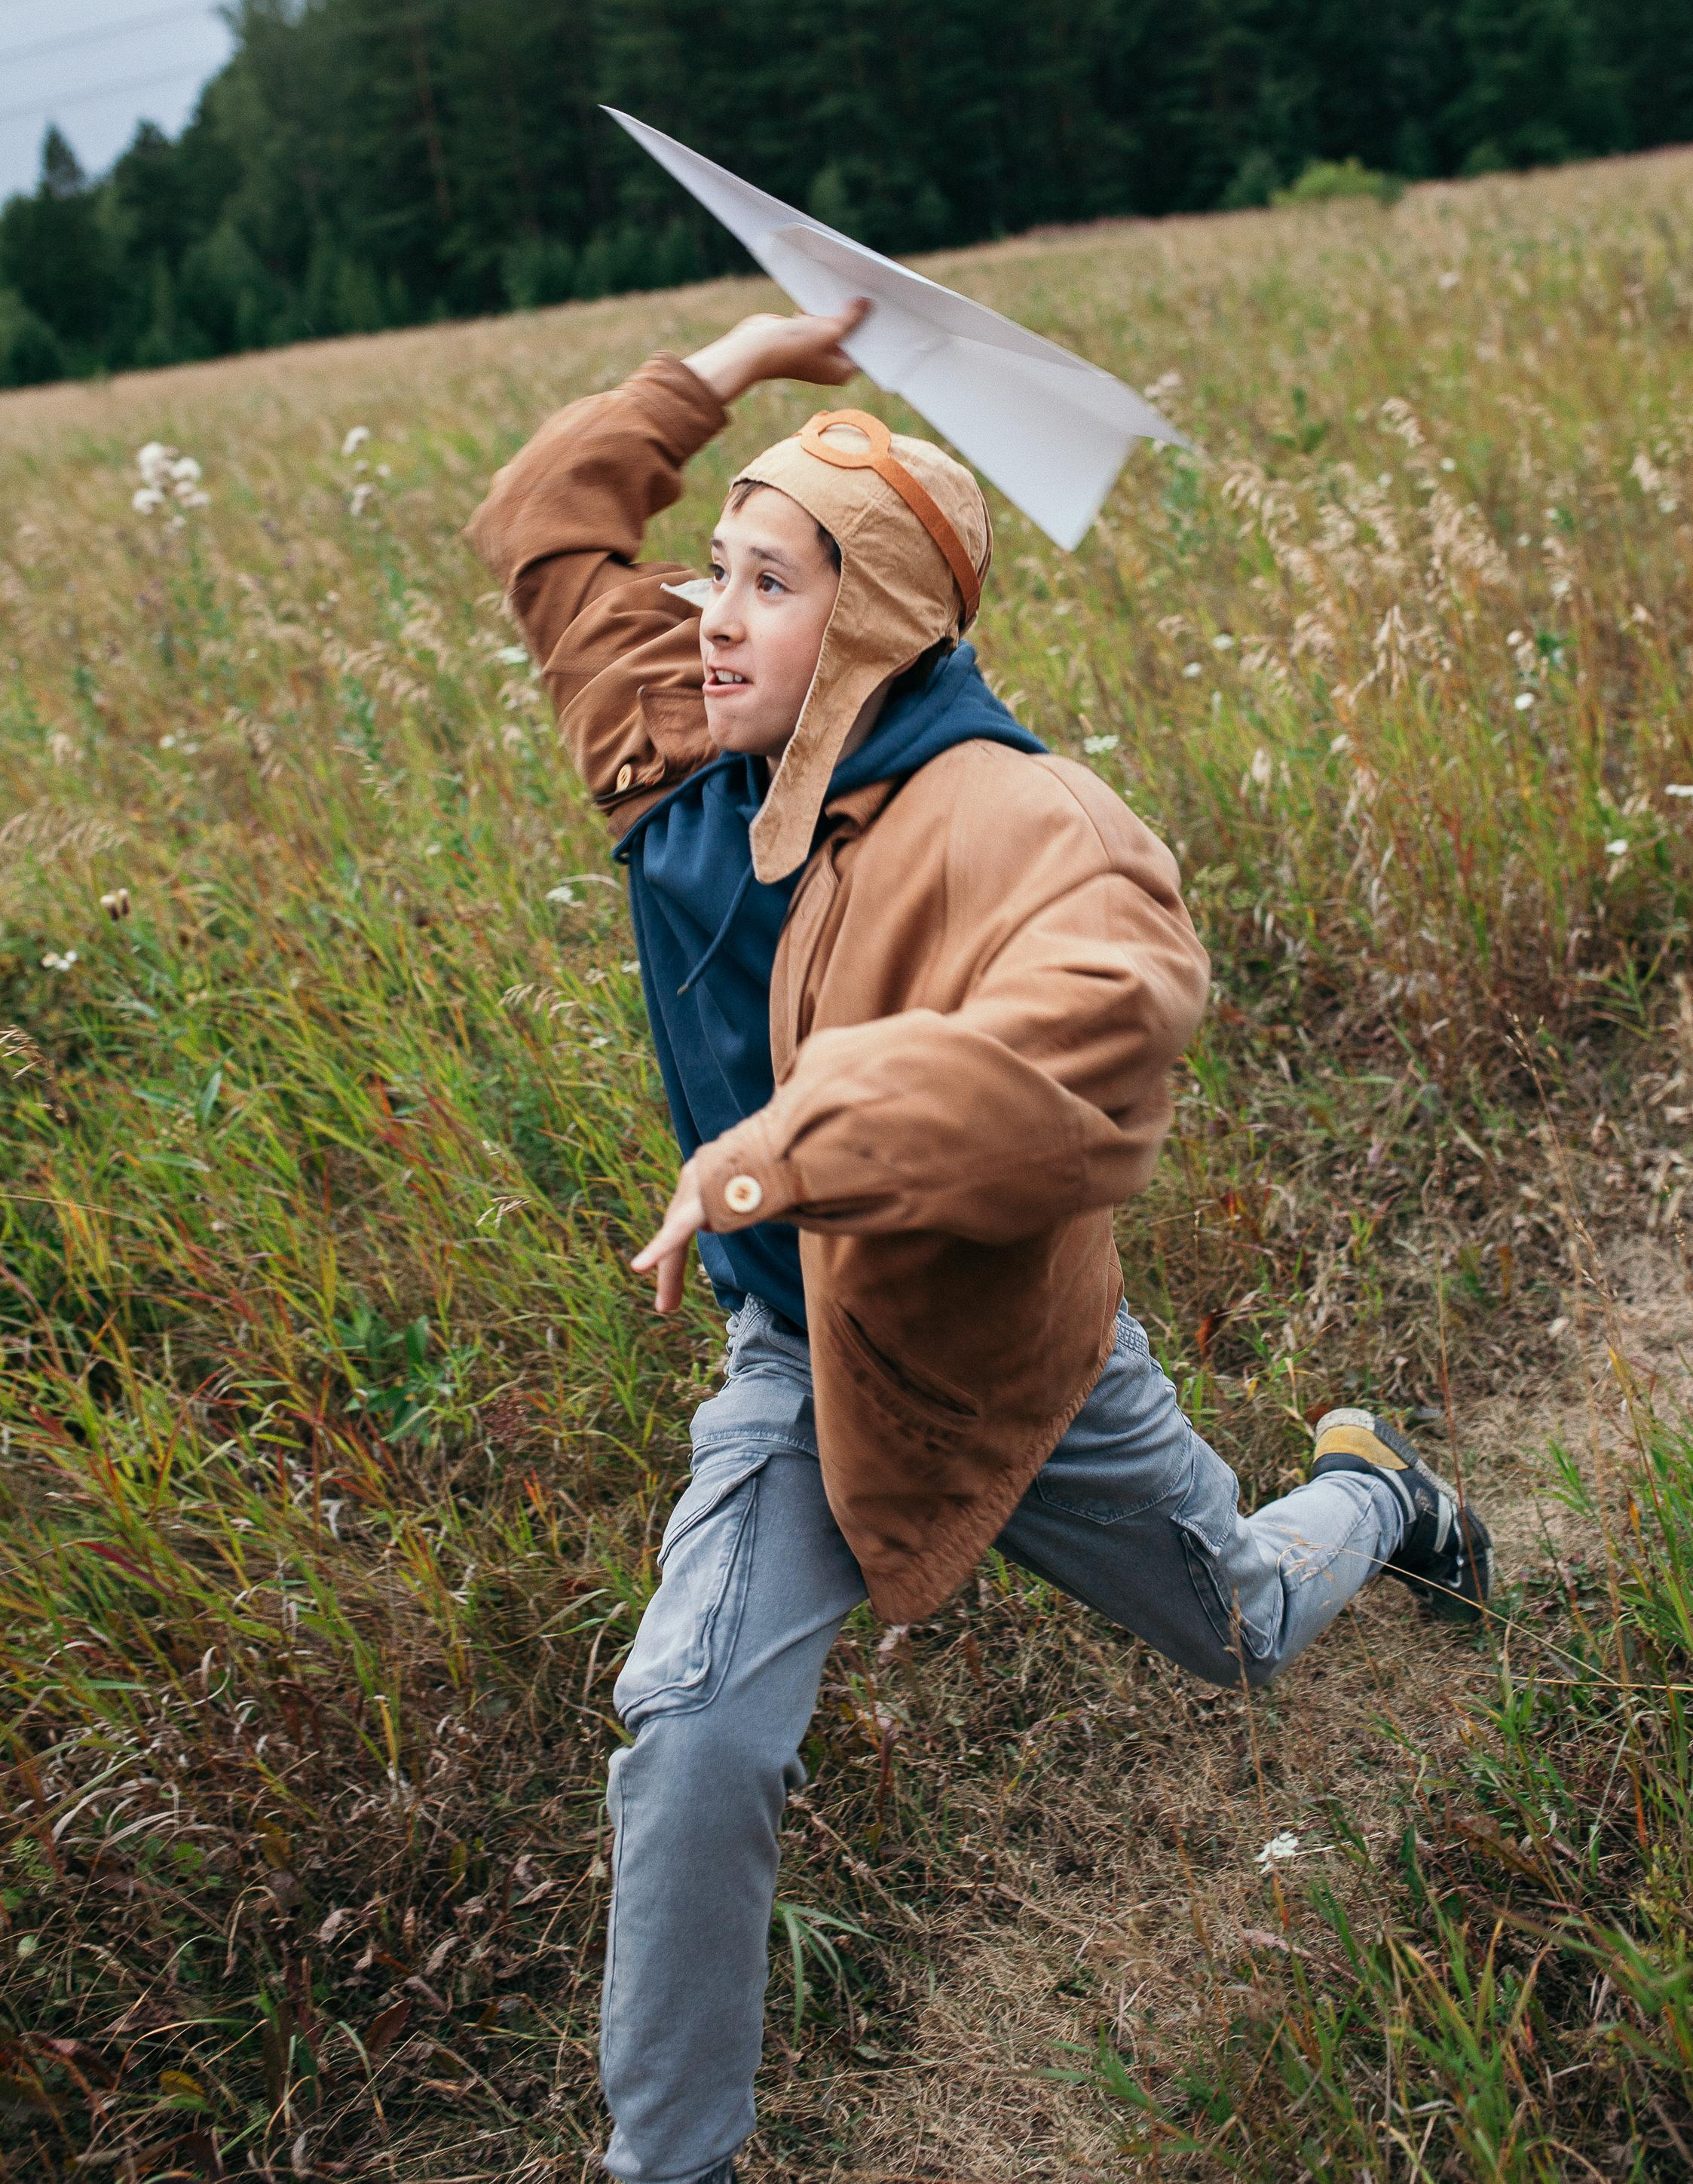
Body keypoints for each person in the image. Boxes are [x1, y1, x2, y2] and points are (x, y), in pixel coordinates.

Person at [467, 297, 1493, 2184]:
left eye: (768, 583)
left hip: (1015, 1366)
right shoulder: (677, 741)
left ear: (865, 622)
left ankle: (1383, 1491)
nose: (709, 613)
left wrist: (786, 1144)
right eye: (713, 565)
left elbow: (1098, 1032)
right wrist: (748, 361)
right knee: (689, 1731)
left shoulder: (1021, 819)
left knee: (1245, 1628)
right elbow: (545, 514)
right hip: (798, 1359)